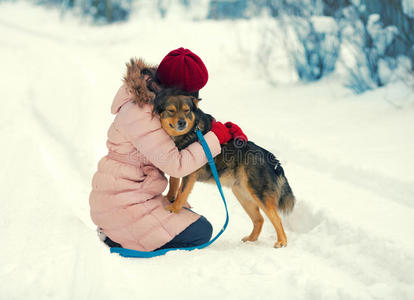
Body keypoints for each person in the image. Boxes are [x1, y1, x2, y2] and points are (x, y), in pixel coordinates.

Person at [89, 47, 246, 252]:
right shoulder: (142, 113)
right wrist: (215, 137)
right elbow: (176, 165)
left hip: (130, 194)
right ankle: (115, 237)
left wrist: (216, 129)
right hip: (121, 203)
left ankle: (118, 230)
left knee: (188, 217)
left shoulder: (155, 101)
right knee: (201, 231)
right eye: (192, 94)